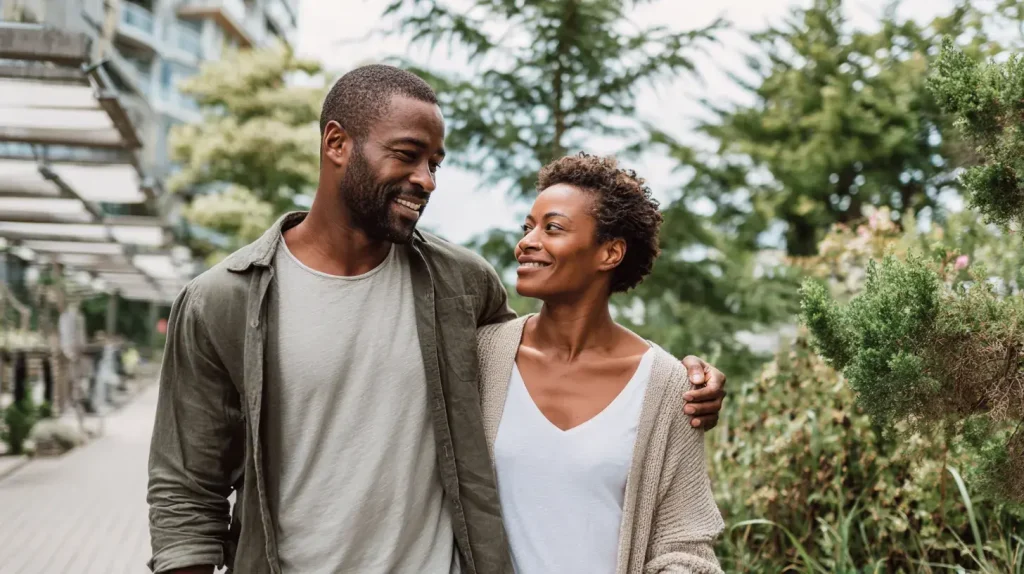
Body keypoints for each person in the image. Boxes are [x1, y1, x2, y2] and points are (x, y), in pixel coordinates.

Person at [146, 65, 727, 574]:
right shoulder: (223, 301)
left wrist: (681, 379)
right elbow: (184, 497)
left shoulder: (459, 284)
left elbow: (561, 347)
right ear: (336, 143)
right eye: (406, 156)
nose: (426, 179)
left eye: (435, 163)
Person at [477, 154, 724, 573]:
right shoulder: (482, 356)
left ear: (610, 253)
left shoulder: (668, 388)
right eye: (527, 227)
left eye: (551, 228)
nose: (526, 242)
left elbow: (684, 546)